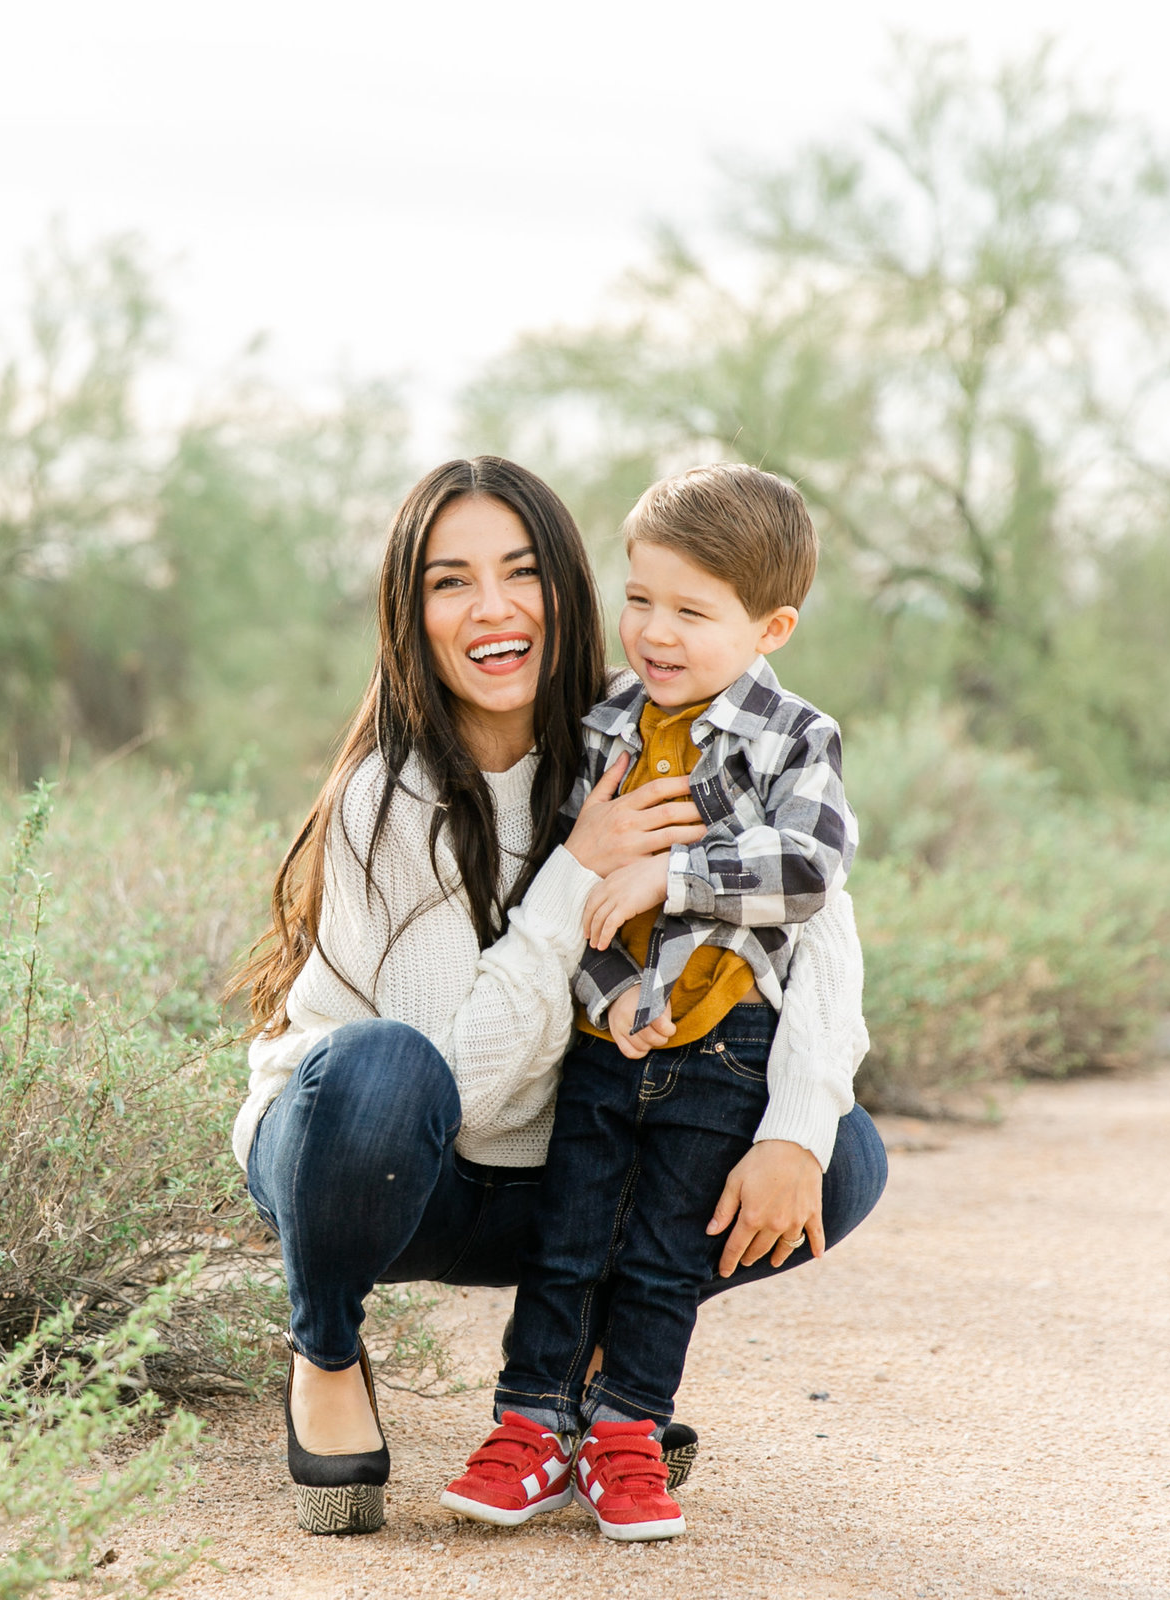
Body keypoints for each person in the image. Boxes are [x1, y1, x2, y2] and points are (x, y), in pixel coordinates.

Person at [231, 456, 883, 1538]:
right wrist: (579, 868)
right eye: (451, 581)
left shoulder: (640, 730)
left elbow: (820, 913)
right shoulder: (385, 798)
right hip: (372, 1165)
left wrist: (798, 1124)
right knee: (387, 1067)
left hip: (557, 1170)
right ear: (411, 609)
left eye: (521, 571)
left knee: (836, 1151)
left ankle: (605, 1374)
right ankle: (327, 1347)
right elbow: (463, 1088)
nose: (492, 607)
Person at [440, 463, 854, 1542]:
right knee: (570, 1237)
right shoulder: (605, 723)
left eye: (692, 611)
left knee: (665, 1249)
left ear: (771, 626)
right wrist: (615, 992)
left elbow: (808, 871)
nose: (656, 633)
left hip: (728, 1044)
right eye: (641, 599)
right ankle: (529, 1426)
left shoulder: (794, 737)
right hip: (609, 1031)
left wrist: (671, 879)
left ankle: (628, 1435)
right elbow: (574, 890)